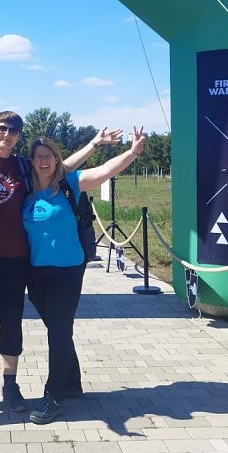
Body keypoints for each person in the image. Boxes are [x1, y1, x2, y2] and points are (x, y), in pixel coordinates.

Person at [0, 111, 122, 417]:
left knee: (16, 325)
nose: (8, 134)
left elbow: (62, 166)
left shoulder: (22, 165)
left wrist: (94, 144)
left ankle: (14, 385)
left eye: (14, 130)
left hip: (17, 261)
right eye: (3, 128)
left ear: (19, 136)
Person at [22, 127, 146, 424]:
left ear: (56, 159)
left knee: (59, 330)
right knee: (57, 327)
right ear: (30, 161)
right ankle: (73, 383)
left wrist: (132, 153)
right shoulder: (25, 189)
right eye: (38, 156)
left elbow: (103, 171)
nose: (43, 161)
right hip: (35, 273)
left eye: (49, 156)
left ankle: (53, 394)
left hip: (68, 270)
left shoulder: (71, 184)